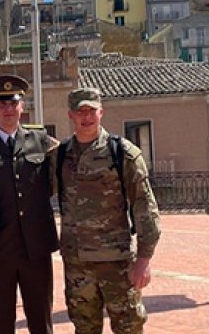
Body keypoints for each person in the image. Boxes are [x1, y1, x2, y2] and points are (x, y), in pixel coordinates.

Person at [55, 87, 161, 334]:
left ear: (101, 112)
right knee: (84, 329)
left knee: (129, 328)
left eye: (91, 110)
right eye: (80, 111)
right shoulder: (60, 156)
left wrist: (144, 259)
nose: (86, 116)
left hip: (117, 263)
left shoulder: (123, 153)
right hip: (77, 265)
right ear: (71, 115)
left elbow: (145, 207)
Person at [0, 74, 59, 334]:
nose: (7, 109)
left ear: (22, 106)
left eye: (13, 103)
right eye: (1, 104)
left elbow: (56, 183)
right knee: (0, 321)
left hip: (35, 248)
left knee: (41, 321)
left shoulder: (42, 142)